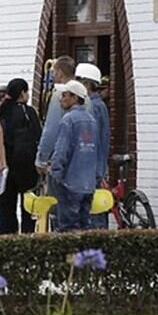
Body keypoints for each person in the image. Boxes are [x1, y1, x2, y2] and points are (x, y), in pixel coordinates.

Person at [50, 80, 98, 232]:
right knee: (85, 228)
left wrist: (55, 172)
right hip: (88, 184)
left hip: (70, 183)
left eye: (65, 95)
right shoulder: (92, 120)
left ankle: (71, 256)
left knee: (67, 229)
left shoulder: (68, 120)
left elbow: (61, 149)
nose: (61, 98)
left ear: (75, 98)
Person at [35, 56, 90, 178]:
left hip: (63, 163)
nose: (53, 76)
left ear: (60, 73)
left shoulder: (59, 95)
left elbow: (51, 130)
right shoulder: (85, 97)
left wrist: (42, 158)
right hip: (84, 160)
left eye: (54, 72)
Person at [0, 78, 40, 234]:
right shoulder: (29, 113)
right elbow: (38, 135)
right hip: (27, 165)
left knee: (7, 206)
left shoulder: (3, 111)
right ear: (23, 93)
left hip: (7, 163)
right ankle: (28, 236)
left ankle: (8, 237)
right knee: (28, 205)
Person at [75, 63, 110, 229]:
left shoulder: (92, 107)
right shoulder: (100, 105)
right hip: (96, 167)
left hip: (90, 168)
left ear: (87, 84)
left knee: (91, 212)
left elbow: (90, 140)